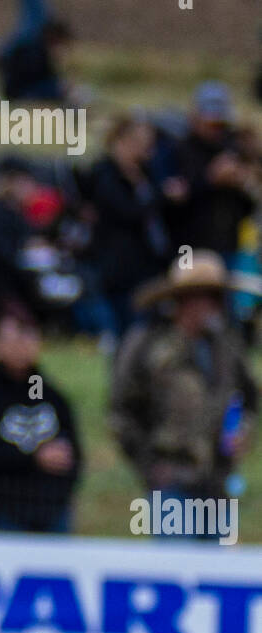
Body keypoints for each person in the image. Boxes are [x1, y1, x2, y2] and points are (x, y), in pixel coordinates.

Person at [111, 251, 257, 521]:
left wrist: (243, 431)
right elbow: (122, 411)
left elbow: (250, 397)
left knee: (215, 562)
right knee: (176, 558)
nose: (214, 306)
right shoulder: (148, 345)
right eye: (206, 297)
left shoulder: (226, 346)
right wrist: (149, 466)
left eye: (217, 297)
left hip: (216, 482)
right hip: (171, 481)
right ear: (185, 300)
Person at [0, 305, 82, 533]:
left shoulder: (52, 395)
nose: (21, 347)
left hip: (53, 508)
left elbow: (74, 451)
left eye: (27, 338)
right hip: (8, 508)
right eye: (14, 339)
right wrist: (33, 458)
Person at [88, 115, 171, 338]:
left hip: (147, 268)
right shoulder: (106, 175)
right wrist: (162, 196)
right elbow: (128, 212)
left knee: (148, 334)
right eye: (140, 144)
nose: (147, 150)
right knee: (126, 334)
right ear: (121, 142)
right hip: (120, 272)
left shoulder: (146, 174)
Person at [169, 83, 261, 260]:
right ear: (195, 118)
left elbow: (247, 208)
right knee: (189, 286)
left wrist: (243, 183)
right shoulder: (177, 150)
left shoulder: (233, 149)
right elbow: (171, 205)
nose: (217, 129)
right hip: (187, 247)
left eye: (221, 124)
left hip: (229, 246)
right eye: (211, 123)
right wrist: (210, 179)